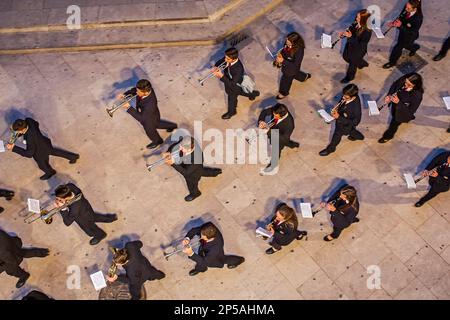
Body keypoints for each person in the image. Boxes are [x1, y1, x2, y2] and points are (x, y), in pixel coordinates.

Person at [6, 118, 79, 180]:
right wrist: (20, 133)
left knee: (42, 165)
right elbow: (36, 124)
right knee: (56, 152)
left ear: (22, 130)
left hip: (40, 152)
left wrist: (13, 148)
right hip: (45, 142)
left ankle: (50, 172)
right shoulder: (28, 120)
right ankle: (73, 157)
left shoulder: (30, 139)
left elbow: (29, 154)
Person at [120, 79, 177, 149]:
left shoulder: (151, 104)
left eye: (138, 91)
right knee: (157, 123)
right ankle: (172, 126)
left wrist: (129, 108)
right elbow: (134, 90)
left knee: (150, 131)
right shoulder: (146, 89)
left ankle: (158, 141)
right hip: (152, 115)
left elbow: (142, 119)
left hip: (148, 119)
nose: (136, 92)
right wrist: (125, 94)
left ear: (146, 93)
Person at [164, 136, 222, 202]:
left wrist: (172, 163)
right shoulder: (188, 141)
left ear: (190, 149)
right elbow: (176, 145)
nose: (180, 148)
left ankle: (195, 193)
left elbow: (186, 173)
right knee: (202, 171)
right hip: (194, 167)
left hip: (192, 174)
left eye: (182, 148)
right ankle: (215, 172)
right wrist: (169, 151)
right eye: (180, 146)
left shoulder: (197, 158)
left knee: (192, 185)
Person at [212, 47, 260, 119]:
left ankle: (232, 112)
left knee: (232, 99)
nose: (225, 59)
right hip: (233, 83)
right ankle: (253, 94)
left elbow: (232, 84)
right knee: (243, 92)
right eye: (225, 57)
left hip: (234, 86)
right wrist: (216, 66)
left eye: (227, 59)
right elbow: (221, 61)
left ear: (234, 59)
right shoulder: (229, 57)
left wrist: (221, 76)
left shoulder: (238, 69)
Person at [319, 84, 364, 156]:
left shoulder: (356, 108)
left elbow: (355, 122)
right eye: (343, 95)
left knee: (337, 135)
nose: (343, 97)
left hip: (346, 125)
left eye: (346, 97)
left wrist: (338, 117)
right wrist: (336, 109)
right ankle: (359, 136)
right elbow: (342, 103)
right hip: (341, 120)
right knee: (352, 131)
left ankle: (330, 149)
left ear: (353, 97)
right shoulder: (347, 96)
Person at [378, 72, 423, 143]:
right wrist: (389, 95)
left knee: (394, 124)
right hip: (395, 105)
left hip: (401, 111)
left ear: (415, 85)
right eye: (405, 82)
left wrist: (398, 103)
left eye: (408, 84)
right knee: (393, 114)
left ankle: (388, 136)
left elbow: (410, 111)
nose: (405, 85)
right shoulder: (405, 79)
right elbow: (394, 85)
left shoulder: (417, 96)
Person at [257, 103, 299, 174]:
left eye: (276, 116)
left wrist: (269, 131)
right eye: (273, 114)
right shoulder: (277, 109)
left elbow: (284, 139)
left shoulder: (290, 125)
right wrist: (261, 121)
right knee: (287, 142)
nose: (273, 116)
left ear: (282, 116)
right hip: (273, 130)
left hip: (279, 138)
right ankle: (293, 145)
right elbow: (264, 112)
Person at [383, 0, 423, 69]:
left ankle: (392, 62)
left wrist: (401, 26)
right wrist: (394, 23)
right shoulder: (407, 7)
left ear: (415, 9)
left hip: (409, 37)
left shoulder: (418, 18)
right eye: (406, 7)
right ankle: (415, 47)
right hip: (402, 33)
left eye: (408, 8)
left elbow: (413, 32)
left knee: (398, 48)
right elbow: (401, 16)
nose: (406, 9)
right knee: (406, 46)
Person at [275, 32, 311, 99]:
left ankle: (283, 93)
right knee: (296, 73)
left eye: (289, 42)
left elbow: (295, 65)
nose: (286, 43)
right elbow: (284, 51)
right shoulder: (287, 44)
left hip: (290, 70)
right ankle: (304, 77)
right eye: (286, 40)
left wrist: (283, 61)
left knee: (285, 82)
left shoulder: (299, 51)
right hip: (290, 68)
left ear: (295, 43)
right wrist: (280, 56)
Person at [340, 9, 372, 83]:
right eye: (357, 16)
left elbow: (361, 45)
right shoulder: (355, 23)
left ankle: (349, 77)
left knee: (352, 65)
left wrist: (350, 37)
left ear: (364, 20)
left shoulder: (367, 32)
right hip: (350, 46)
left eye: (358, 18)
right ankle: (362, 63)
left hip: (358, 51)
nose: (356, 18)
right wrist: (344, 35)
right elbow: (350, 31)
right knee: (346, 57)